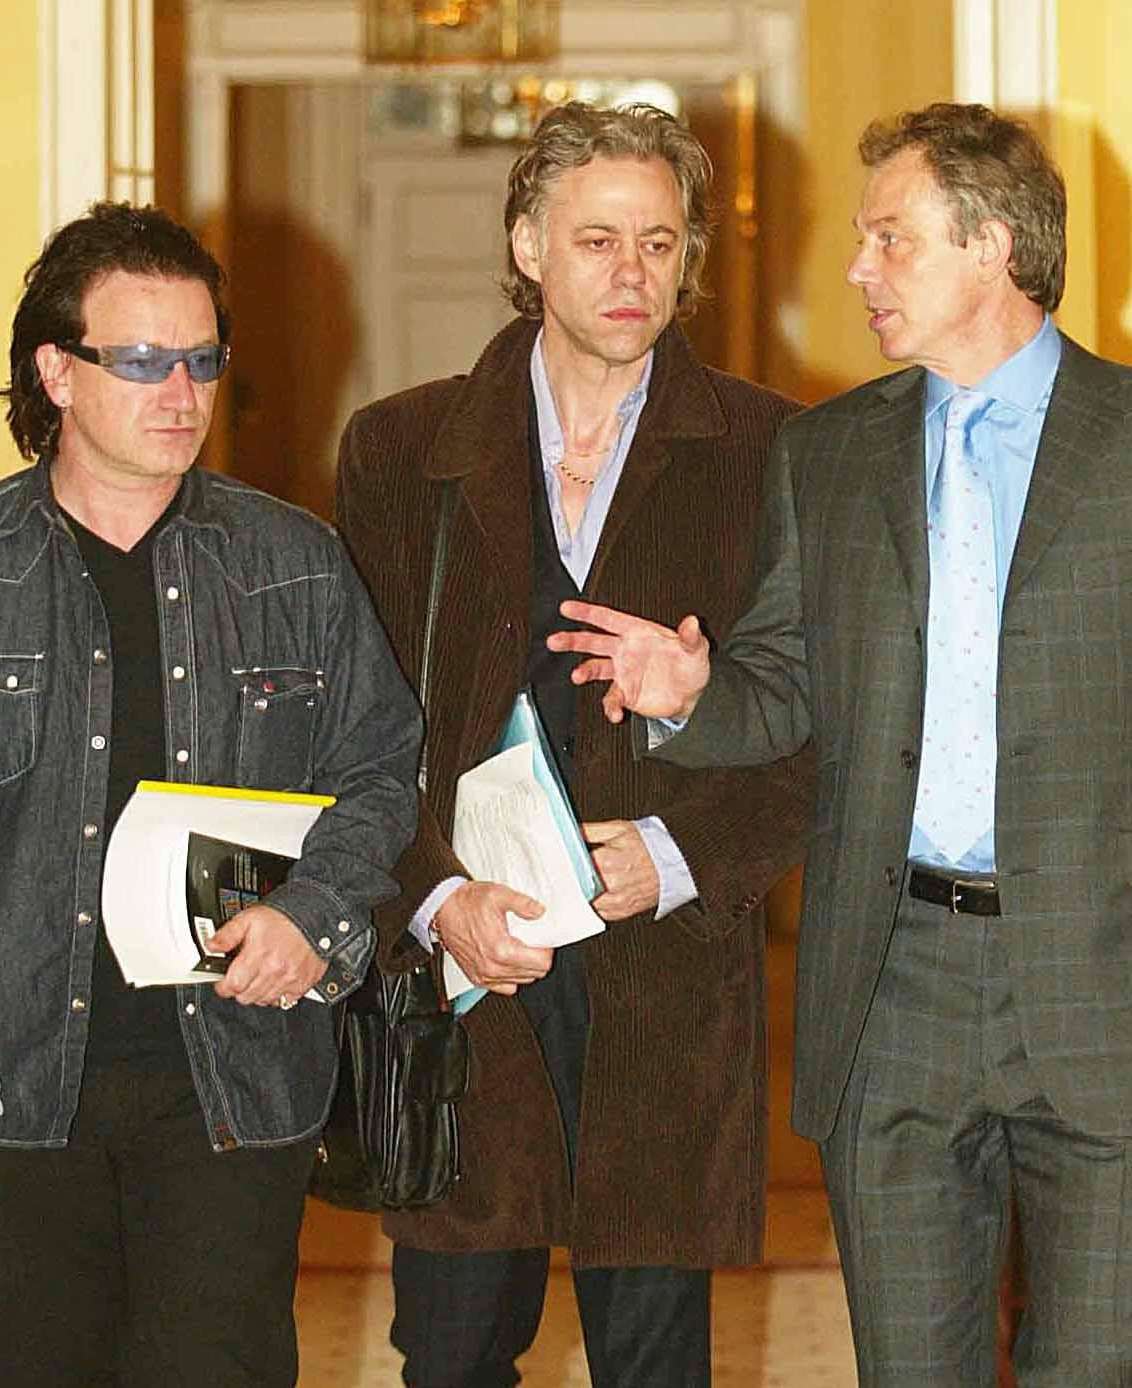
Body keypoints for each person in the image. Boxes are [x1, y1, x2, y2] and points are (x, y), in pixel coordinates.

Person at [549, 102, 1132, 1386]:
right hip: (891, 982)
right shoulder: (827, 453)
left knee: (1105, 1360)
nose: (857, 269)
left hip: (1113, 981)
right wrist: (692, 688)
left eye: (889, 237)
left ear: (991, 245)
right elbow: (785, 687)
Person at [0, 202, 420, 1386]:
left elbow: (382, 767)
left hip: (234, 1072)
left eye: (203, 358)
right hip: (17, 1075)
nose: (182, 390)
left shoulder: (295, 563)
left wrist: (314, 909)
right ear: (55, 370)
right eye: (142, 360)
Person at [334, 102, 812, 1387]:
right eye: (597, 240)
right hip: (468, 979)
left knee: (654, 1360)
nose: (632, 274)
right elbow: (357, 732)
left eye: (661, 243)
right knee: (450, 1349)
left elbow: (825, 733)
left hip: (664, 980)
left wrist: (678, 852)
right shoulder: (400, 450)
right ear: (528, 245)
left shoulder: (776, 452)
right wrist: (434, 897)